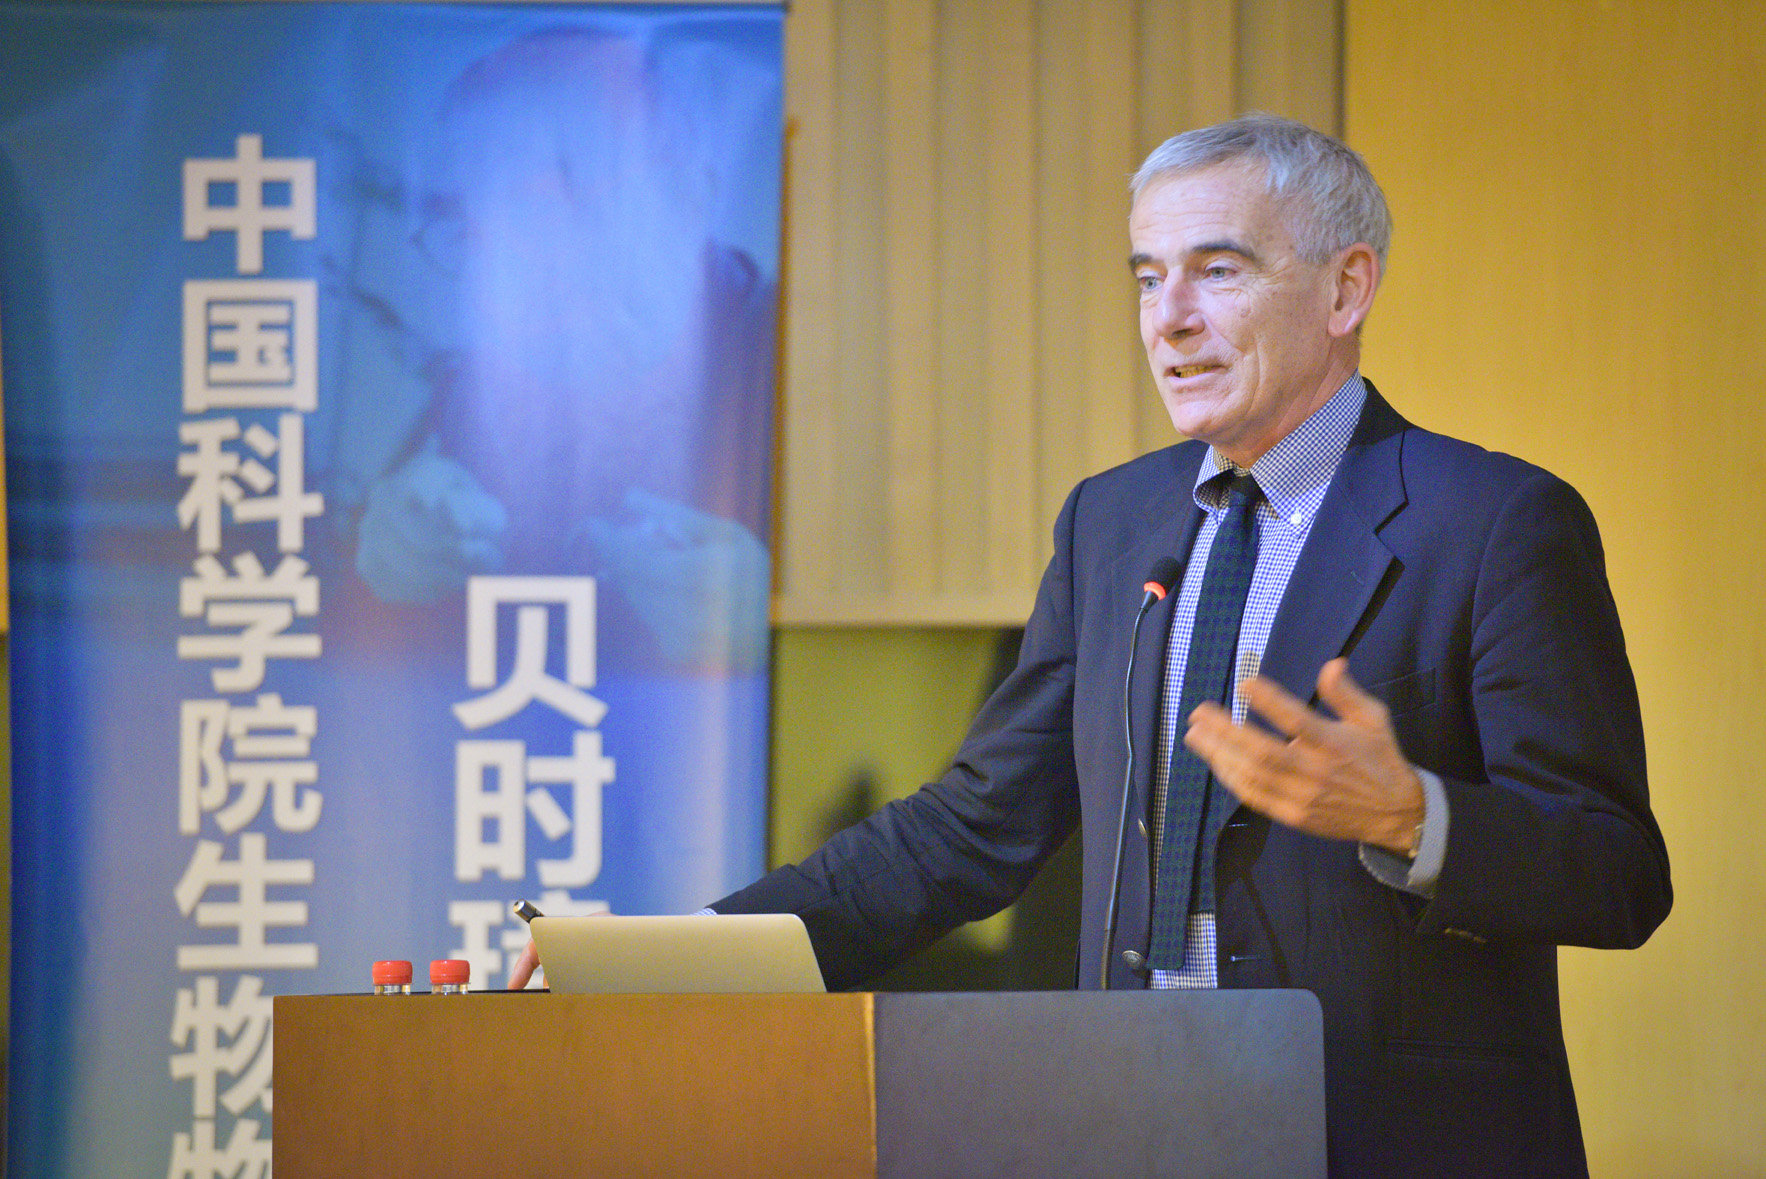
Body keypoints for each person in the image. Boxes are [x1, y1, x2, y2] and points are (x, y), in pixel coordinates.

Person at [512, 114, 1672, 1176]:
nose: (1168, 319)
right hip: (1133, 1122)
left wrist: (1413, 817)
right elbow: (970, 825)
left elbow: (1616, 869)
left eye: (1218, 270)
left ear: (1343, 288)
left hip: (1386, 1134)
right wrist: (694, 955)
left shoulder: (1492, 521)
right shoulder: (1111, 522)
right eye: (1147, 277)